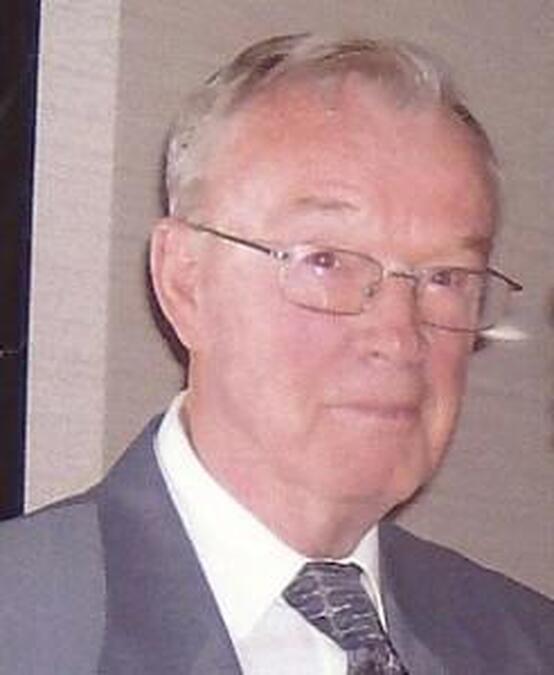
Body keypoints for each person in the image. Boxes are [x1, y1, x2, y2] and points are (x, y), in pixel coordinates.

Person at [1, 34, 553, 674]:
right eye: (327, 261)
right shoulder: (24, 627)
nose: (400, 338)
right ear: (185, 282)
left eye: (446, 278)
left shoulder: (527, 644)